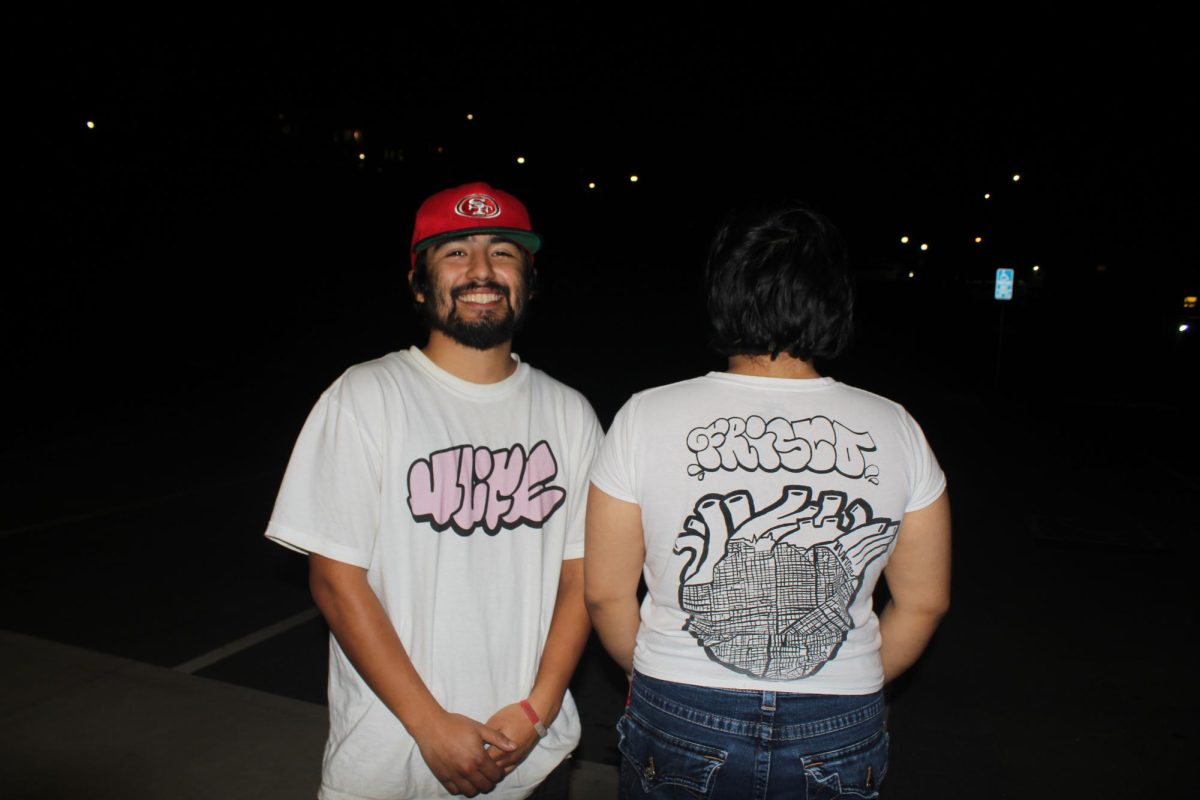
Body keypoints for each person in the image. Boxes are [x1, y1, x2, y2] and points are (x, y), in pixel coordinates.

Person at [584, 203, 951, 799]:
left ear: (722, 294)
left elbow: (604, 592)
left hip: (680, 700)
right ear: (835, 299)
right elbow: (925, 602)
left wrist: (664, 670)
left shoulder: (645, 415)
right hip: (837, 711)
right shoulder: (896, 427)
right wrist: (844, 678)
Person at [266, 182, 601, 799]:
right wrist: (429, 724)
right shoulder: (365, 397)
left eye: (503, 252)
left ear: (529, 278)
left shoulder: (570, 413)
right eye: (455, 253)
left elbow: (582, 580)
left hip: (532, 757)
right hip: (392, 756)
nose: (481, 270)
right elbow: (336, 581)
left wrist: (538, 710)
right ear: (420, 283)